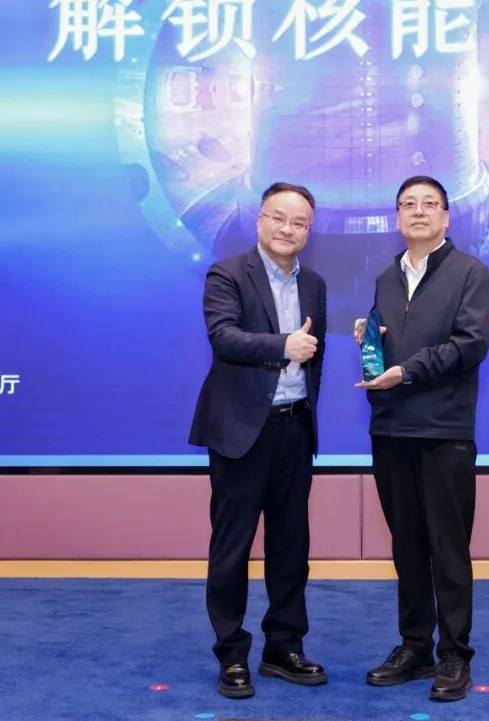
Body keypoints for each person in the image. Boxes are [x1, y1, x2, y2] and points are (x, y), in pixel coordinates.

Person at [354, 175, 489, 702]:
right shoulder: (386, 278)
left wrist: (407, 370)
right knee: (407, 546)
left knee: (448, 548)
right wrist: (370, 338)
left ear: (446, 216)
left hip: (444, 431)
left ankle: (455, 653)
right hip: (391, 429)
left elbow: (470, 343)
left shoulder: (470, 273)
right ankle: (415, 647)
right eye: (408, 204)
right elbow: (390, 342)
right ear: (397, 217)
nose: (418, 211)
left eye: (429, 204)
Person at [190, 181, 328, 699]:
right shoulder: (227, 273)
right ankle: (231, 653)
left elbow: (315, 355)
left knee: (292, 546)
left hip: (295, 428)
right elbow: (223, 337)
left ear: (309, 231)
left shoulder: (314, 283)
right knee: (233, 547)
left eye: (299, 222)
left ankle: (283, 647)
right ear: (259, 220)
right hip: (241, 432)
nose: (288, 229)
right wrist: (283, 345)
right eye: (279, 218)